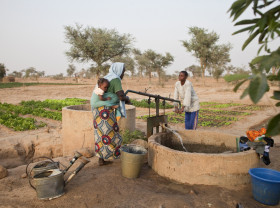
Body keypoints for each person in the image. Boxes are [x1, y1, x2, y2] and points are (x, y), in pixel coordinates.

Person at [90, 62, 130, 166]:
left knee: (100, 134)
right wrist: (127, 99)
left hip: (98, 109)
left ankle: (102, 159)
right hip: (104, 110)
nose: (123, 75)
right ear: (119, 71)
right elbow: (121, 96)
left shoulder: (108, 77)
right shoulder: (115, 79)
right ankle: (114, 155)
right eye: (123, 72)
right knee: (111, 133)